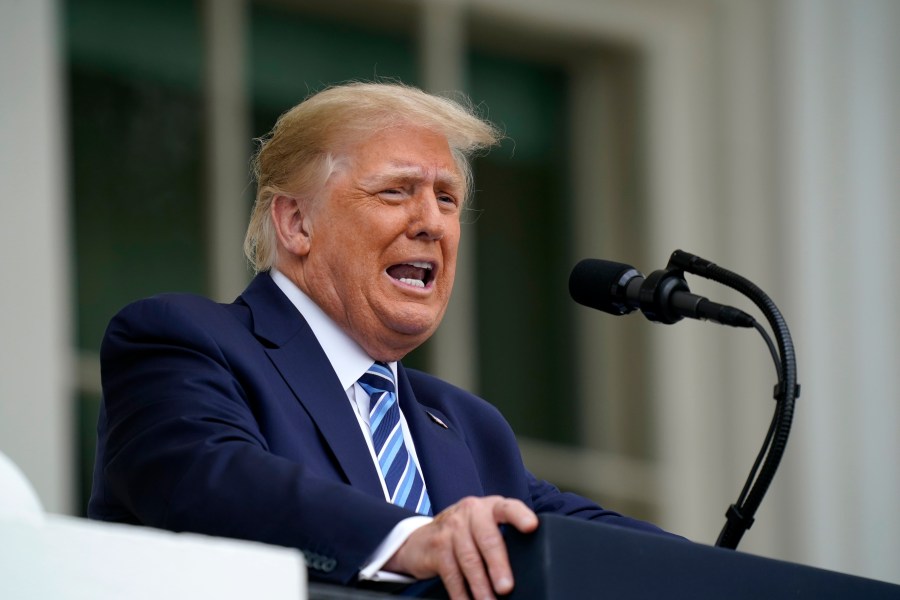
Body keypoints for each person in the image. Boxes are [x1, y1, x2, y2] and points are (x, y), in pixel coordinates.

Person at [89, 82, 678, 599]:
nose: (432, 223)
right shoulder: (183, 341)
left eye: (446, 199)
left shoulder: (470, 428)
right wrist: (406, 539)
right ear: (296, 223)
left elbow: (588, 541)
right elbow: (206, 481)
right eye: (396, 192)